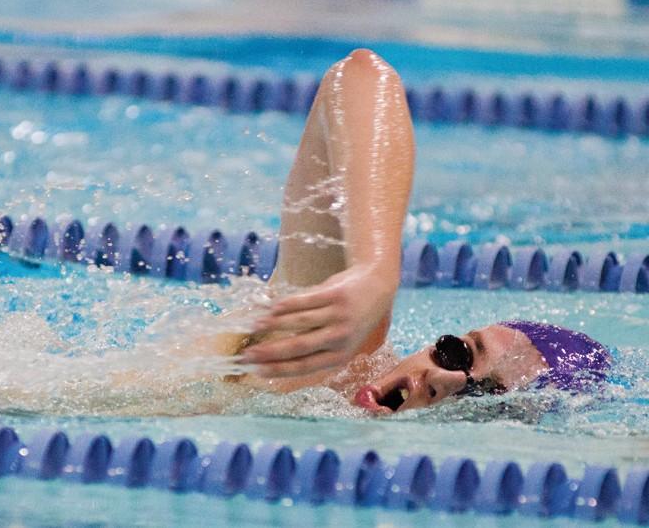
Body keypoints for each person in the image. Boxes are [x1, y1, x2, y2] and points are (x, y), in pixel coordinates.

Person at [214, 48, 611, 414]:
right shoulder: (335, 354)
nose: (441, 380)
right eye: (458, 353)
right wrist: (376, 271)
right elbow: (360, 76)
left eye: (485, 395)